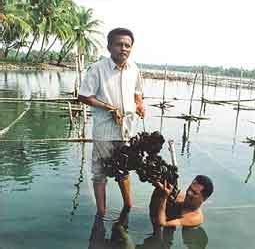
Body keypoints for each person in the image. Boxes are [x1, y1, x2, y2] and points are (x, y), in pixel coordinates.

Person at [78, 28, 144, 229]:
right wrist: (108, 107)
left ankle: (128, 205)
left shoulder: (134, 69)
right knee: (100, 173)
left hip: (127, 131)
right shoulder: (97, 68)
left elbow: (137, 93)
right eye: (119, 44)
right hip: (104, 132)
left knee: (124, 170)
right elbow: (83, 96)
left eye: (127, 45)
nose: (123, 48)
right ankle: (101, 212)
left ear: (131, 48)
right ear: (109, 47)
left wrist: (140, 104)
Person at [149, 175, 214, 233]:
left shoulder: (194, 218)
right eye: (189, 188)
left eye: (194, 193)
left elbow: (162, 224)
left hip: (169, 229)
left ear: (204, 198)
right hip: (160, 216)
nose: (189, 193)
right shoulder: (181, 196)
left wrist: (164, 197)